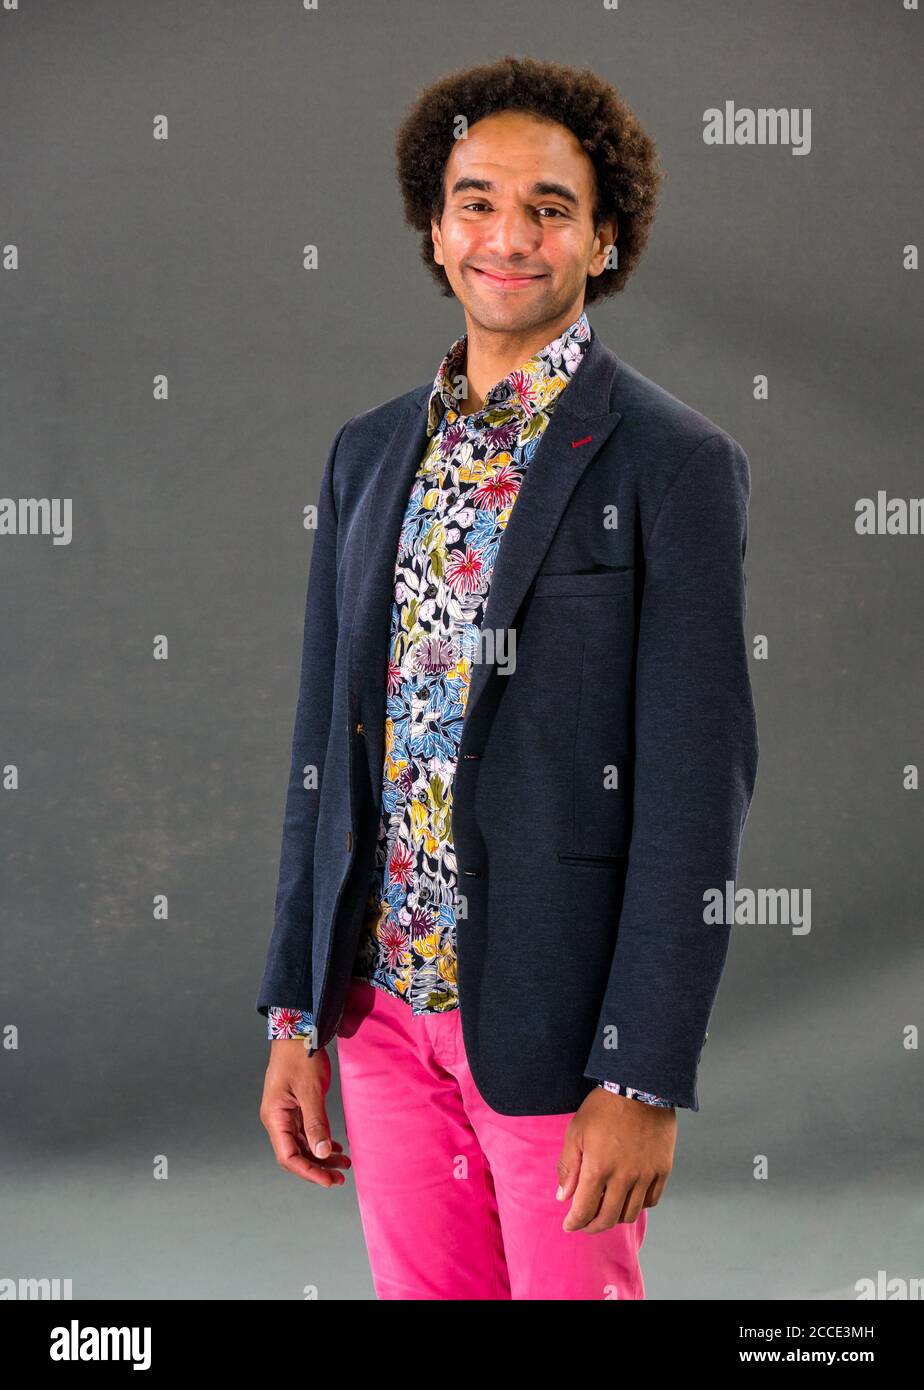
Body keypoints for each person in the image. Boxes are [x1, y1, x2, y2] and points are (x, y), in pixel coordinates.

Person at [257, 55, 759, 1300]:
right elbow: (326, 744)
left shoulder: (673, 464)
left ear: (603, 238)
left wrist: (639, 1074)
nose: (509, 236)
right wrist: (295, 1015)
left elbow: (698, 792)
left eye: (549, 207)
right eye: (477, 200)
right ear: (436, 228)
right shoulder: (368, 454)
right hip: (379, 1015)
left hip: (557, 1022)